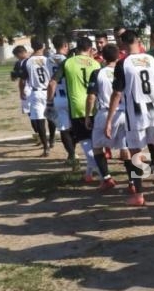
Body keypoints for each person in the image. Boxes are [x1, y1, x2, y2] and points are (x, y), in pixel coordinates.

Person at [106, 29, 154, 206]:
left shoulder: (123, 64)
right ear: (138, 41)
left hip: (136, 113)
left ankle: (139, 194)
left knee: (135, 153)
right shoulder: (150, 59)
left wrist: (109, 120)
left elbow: (117, 93)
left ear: (122, 44)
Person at [55, 37, 101, 181]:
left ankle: (103, 174)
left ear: (76, 47)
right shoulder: (96, 63)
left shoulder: (67, 62)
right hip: (95, 105)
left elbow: (53, 82)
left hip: (77, 107)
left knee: (85, 142)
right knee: (94, 142)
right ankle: (89, 174)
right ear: (90, 48)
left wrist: (50, 102)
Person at [85, 43, 129, 193]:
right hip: (124, 113)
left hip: (105, 112)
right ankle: (133, 181)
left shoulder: (98, 73)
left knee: (97, 147)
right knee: (126, 148)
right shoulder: (124, 72)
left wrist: (87, 116)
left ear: (102, 57)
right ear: (118, 56)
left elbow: (91, 97)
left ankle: (107, 178)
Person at [20, 37, 53, 156]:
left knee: (39, 121)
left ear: (32, 46)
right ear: (43, 46)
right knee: (51, 117)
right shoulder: (48, 60)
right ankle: (52, 140)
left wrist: (21, 90)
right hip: (49, 91)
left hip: (36, 92)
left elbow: (23, 79)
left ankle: (46, 147)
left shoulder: (27, 61)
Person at [11, 45, 38, 143]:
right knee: (39, 113)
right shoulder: (34, 60)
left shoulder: (21, 63)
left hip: (27, 89)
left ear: (20, 53)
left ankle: (38, 133)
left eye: (17, 56)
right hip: (39, 90)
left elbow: (20, 79)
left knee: (31, 114)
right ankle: (46, 135)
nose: (17, 58)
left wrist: (21, 91)